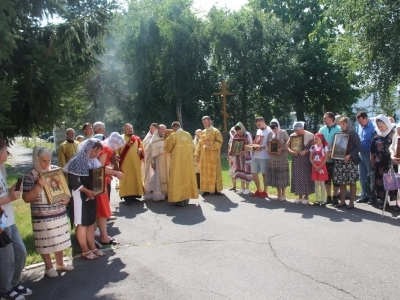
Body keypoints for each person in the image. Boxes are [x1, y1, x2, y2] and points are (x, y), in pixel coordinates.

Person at [22, 147, 73, 277]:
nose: (47, 163)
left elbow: (65, 191)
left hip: (58, 212)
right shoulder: (30, 175)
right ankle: (48, 267)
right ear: (37, 160)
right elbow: (27, 198)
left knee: (59, 238)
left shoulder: (55, 170)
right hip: (42, 215)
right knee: (44, 240)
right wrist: (38, 185)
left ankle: (60, 263)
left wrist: (67, 198)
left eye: (48, 160)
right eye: (43, 161)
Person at [64, 138, 107, 260]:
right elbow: (73, 182)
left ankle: (92, 247)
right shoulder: (77, 161)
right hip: (79, 196)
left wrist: (96, 190)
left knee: (90, 222)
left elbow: (98, 174)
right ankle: (85, 250)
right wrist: (87, 191)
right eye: (95, 151)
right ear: (88, 149)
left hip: (90, 195)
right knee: (82, 223)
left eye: (98, 152)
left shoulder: (92, 161)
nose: (97, 155)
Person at [0, 140, 31, 300]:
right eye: (5, 150)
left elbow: (2, 193)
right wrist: (9, 198)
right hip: (1, 224)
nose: (7, 153)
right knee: (7, 258)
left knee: (21, 252)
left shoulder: (1, 169)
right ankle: (5, 290)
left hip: (9, 220)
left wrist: (12, 190)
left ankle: (15, 282)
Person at [96, 133, 125, 245]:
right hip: (99, 181)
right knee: (102, 209)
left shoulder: (104, 146)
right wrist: (115, 172)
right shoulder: (106, 148)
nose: (117, 148)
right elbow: (99, 167)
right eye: (118, 146)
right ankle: (104, 237)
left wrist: (110, 172)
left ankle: (99, 233)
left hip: (100, 180)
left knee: (100, 209)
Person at [165, 122, 199, 206]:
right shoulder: (188, 135)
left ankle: (179, 200)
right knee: (187, 178)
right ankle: (186, 198)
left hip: (177, 163)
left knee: (177, 179)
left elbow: (168, 148)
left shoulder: (173, 135)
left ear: (174, 128)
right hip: (188, 162)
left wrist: (166, 138)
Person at [333, 117, 361, 209]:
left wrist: (350, 155)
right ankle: (342, 201)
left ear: (348, 124)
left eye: (343, 124)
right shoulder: (339, 134)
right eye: (340, 124)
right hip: (340, 162)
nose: (341, 126)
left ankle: (351, 202)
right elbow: (336, 147)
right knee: (342, 182)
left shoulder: (353, 134)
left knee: (352, 182)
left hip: (351, 162)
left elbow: (358, 147)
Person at [370, 115, 397, 209]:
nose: (380, 128)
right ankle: (383, 201)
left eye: (382, 126)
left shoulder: (393, 133)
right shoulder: (376, 133)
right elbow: (372, 149)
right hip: (379, 163)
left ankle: (397, 202)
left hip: (391, 163)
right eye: (378, 126)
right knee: (380, 182)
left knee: (394, 182)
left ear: (386, 124)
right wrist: (372, 160)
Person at [194, 116, 223, 196]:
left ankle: (217, 189)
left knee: (215, 172)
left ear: (210, 121)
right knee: (205, 173)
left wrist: (210, 144)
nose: (204, 124)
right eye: (203, 123)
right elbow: (199, 144)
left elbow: (219, 142)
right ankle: (206, 190)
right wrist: (196, 154)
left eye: (206, 122)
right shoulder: (203, 132)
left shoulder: (216, 131)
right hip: (204, 157)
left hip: (213, 156)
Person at [287, 121, 314, 205]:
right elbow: (286, 146)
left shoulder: (310, 135)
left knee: (306, 177)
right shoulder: (293, 136)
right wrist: (292, 152)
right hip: (297, 160)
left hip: (306, 160)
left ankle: (306, 197)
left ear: (302, 128)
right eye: (295, 130)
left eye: (298, 130)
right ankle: (299, 197)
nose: (296, 132)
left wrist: (306, 151)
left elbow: (314, 146)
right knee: (297, 177)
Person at [116, 123, 144, 205]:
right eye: (128, 129)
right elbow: (116, 149)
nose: (130, 130)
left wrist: (140, 149)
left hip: (135, 163)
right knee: (126, 178)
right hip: (125, 163)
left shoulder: (136, 139)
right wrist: (117, 155)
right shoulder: (120, 138)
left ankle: (134, 195)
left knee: (135, 177)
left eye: (131, 128)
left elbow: (142, 147)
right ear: (124, 130)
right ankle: (126, 196)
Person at [318, 112, 341, 205]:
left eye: (325, 118)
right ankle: (328, 197)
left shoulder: (338, 129)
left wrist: (333, 152)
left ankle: (335, 196)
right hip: (325, 159)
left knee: (336, 179)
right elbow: (319, 141)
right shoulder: (322, 129)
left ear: (331, 118)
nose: (324, 120)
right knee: (326, 179)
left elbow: (340, 143)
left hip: (335, 159)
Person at [265, 119, 290, 201]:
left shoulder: (283, 132)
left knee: (282, 176)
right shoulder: (270, 134)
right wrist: (268, 149)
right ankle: (278, 194)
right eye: (272, 129)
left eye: (275, 128)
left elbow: (289, 144)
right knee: (276, 177)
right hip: (273, 159)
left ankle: (283, 194)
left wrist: (282, 149)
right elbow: (266, 144)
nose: (274, 130)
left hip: (282, 158)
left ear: (278, 126)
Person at [355, 111, 376, 204]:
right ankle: (364, 196)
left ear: (366, 118)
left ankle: (372, 196)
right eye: (358, 121)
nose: (360, 123)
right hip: (360, 154)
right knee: (362, 177)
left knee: (370, 176)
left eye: (361, 121)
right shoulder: (358, 127)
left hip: (369, 154)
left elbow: (374, 142)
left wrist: (373, 156)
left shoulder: (373, 127)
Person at [147, 125, 171, 201]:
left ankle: (168, 194)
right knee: (159, 177)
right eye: (161, 129)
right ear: (158, 130)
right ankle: (159, 195)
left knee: (168, 176)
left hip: (168, 160)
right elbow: (150, 152)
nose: (163, 131)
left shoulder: (168, 137)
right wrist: (152, 162)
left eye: (164, 129)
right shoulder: (154, 139)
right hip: (158, 161)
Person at [250, 117, 271, 198]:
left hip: (264, 156)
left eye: (259, 124)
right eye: (257, 125)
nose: (258, 126)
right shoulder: (258, 130)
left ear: (263, 122)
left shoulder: (269, 130)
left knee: (264, 174)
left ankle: (265, 191)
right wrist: (252, 145)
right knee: (254, 172)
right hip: (256, 155)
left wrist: (262, 147)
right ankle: (258, 190)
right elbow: (256, 141)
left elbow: (271, 143)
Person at [231, 122, 253, 195]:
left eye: (239, 131)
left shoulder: (247, 134)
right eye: (236, 131)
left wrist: (244, 151)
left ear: (242, 129)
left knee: (246, 171)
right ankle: (242, 187)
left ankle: (247, 188)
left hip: (246, 156)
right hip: (238, 157)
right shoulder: (236, 135)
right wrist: (232, 151)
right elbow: (234, 144)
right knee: (240, 171)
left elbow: (250, 145)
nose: (238, 132)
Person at [309, 133, 330, 206]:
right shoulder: (312, 147)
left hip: (322, 168)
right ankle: (317, 199)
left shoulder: (325, 147)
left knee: (322, 184)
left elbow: (325, 158)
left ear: (321, 139)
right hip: (314, 168)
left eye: (317, 139)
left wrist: (320, 167)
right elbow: (311, 158)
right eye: (314, 139)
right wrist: (315, 166)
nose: (315, 140)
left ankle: (323, 200)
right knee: (316, 184)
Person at [143, 123, 158, 197]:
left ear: (156, 129)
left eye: (152, 128)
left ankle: (157, 187)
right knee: (150, 173)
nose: (150, 130)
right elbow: (145, 146)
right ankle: (150, 188)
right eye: (150, 128)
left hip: (158, 158)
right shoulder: (147, 137)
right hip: (149, 158)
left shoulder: (159, 136)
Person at [227, 127, 237, 191]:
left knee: (237, 171)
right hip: (231, 157)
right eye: (232, 132)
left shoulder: (237, 138)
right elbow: (229, 147)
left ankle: (242, 187)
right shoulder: (230, 139)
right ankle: (234, 186)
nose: (233, 133)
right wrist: (228, 156)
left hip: (236, 157)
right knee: (232, 171)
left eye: (234, 132)